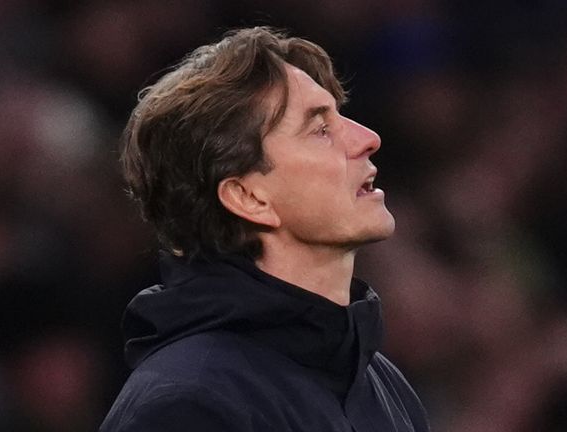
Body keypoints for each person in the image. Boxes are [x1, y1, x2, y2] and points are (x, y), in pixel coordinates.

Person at [100, 27, 430, 432]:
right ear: (248, 197)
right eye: (320, 130)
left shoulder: (382, 384)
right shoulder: (189, 407)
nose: (368, 138)